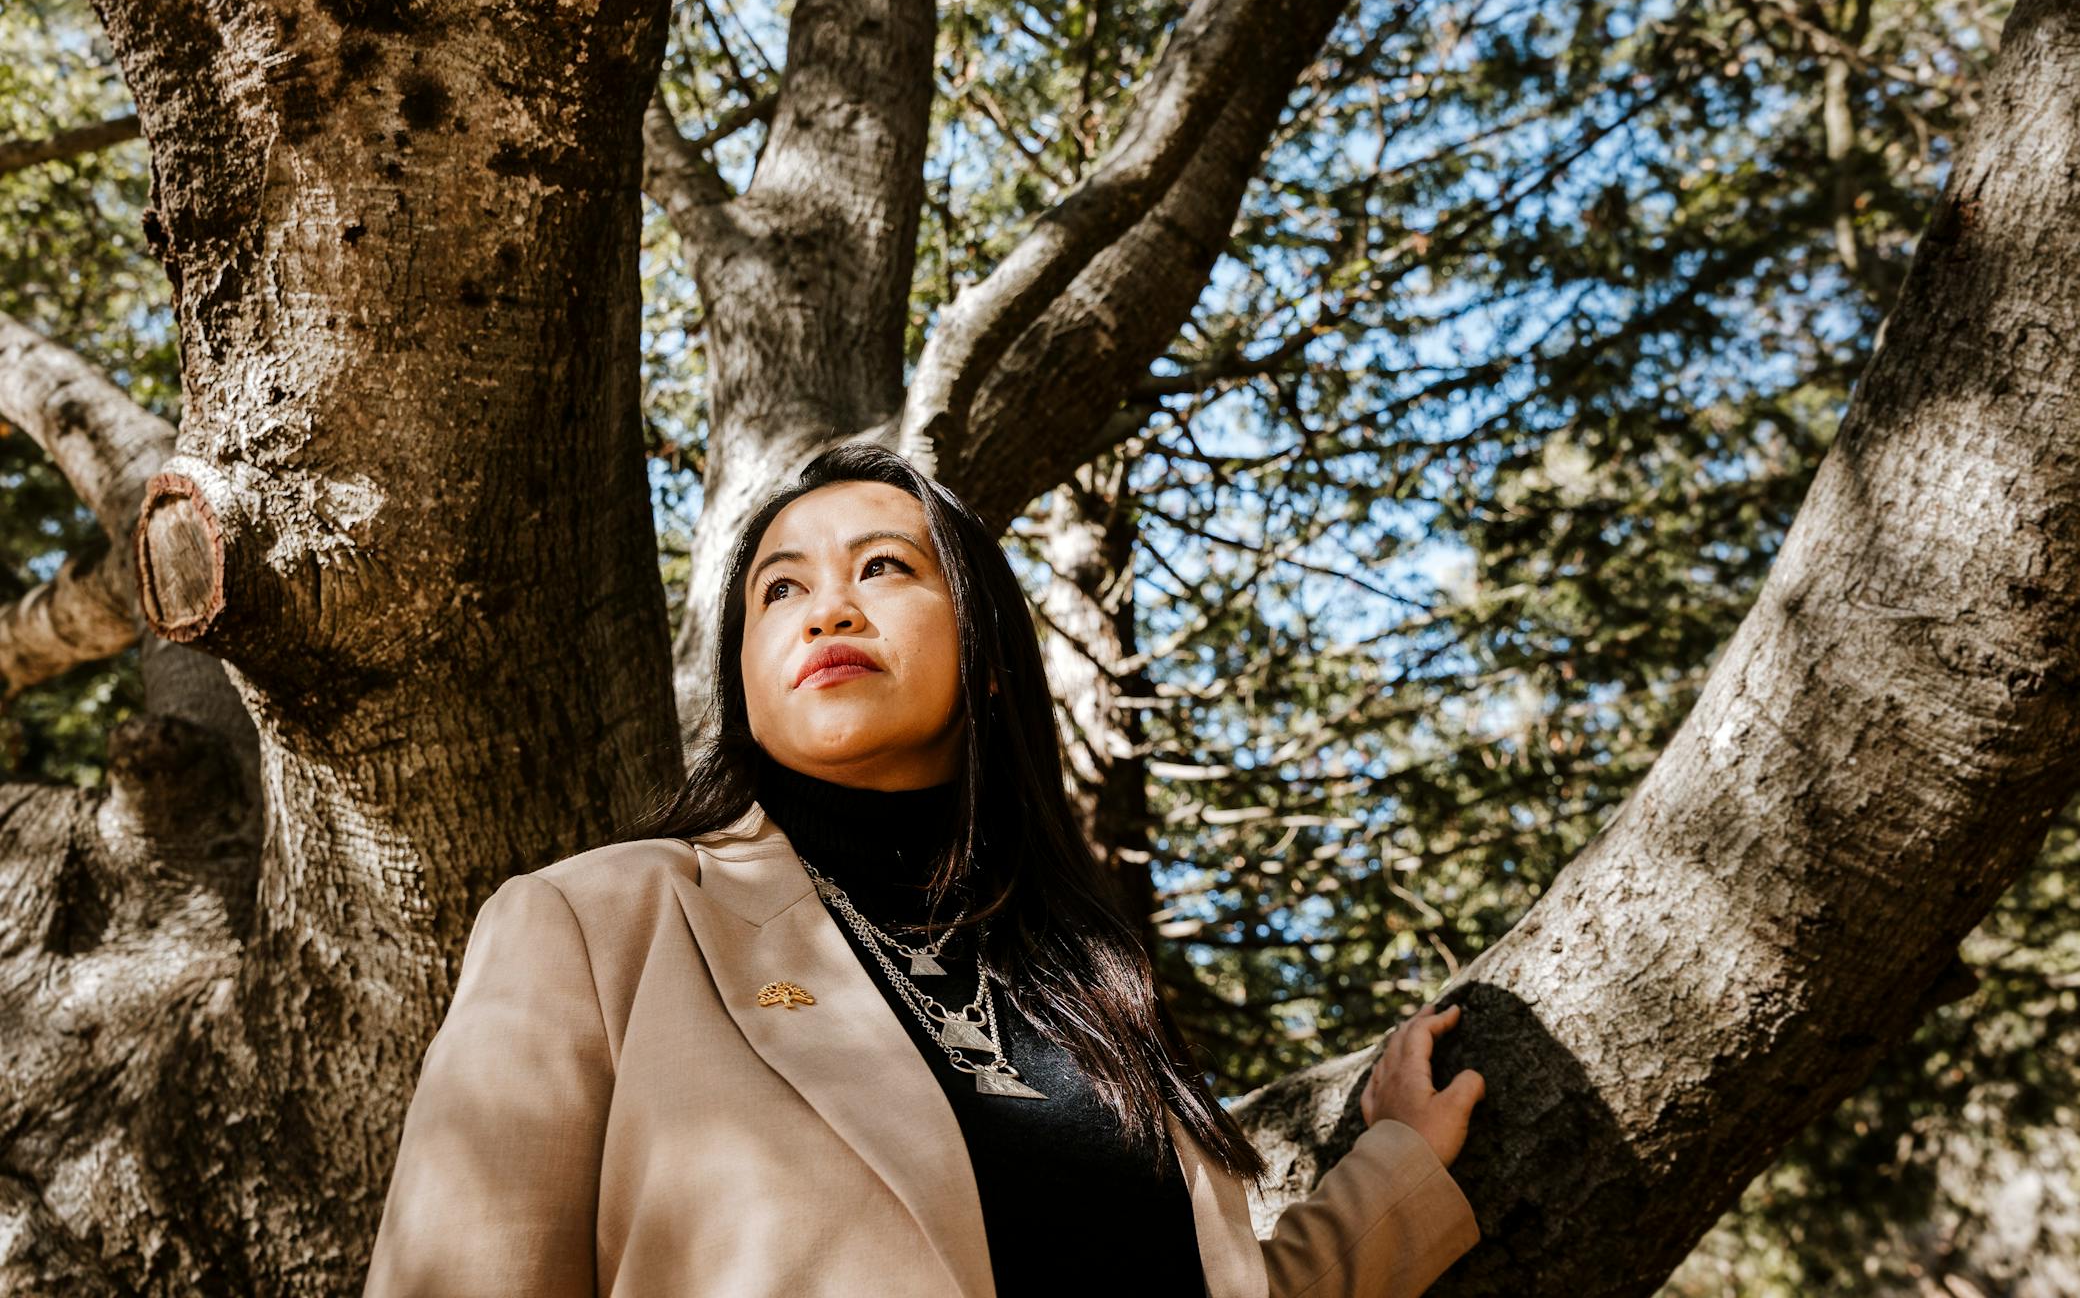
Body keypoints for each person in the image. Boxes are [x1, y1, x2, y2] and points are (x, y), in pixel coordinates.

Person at [363, 441, 1486, 1297]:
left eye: (884, 567)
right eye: (780, 591)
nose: (828, 609)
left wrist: (1393, 1163)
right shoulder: (598, 924)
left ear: (990, 661)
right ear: (745, 676)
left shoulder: (1091, 985)